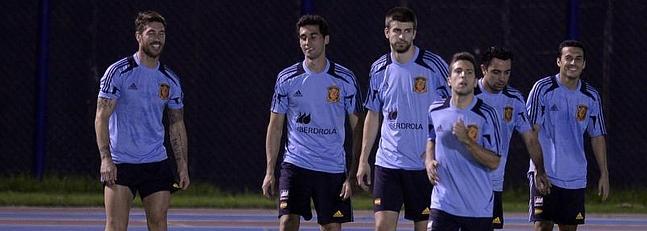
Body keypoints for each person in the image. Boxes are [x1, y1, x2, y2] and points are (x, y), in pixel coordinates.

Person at [261, 14, 362, 231]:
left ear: (326, 39)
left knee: (331, 227)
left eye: (313, 36)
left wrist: (353, 172)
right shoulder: (286, 78)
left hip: (332, 166)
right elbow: (275, 126)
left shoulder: (345, 79)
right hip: (296, 163)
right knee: (287, 222)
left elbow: (358, 127)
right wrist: (270, 171)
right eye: (303, 37)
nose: (307, 43)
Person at [356, 6, 449, 231]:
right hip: (388, 163)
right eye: (397, 30)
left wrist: (436, 150)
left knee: (425, 228)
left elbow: (453, 108)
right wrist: (363, 159)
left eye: (408, 31)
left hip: (423, 165)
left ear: (414, 33)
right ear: (386, 32)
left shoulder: (434, 66)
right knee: (382, 227)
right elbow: (373, 114)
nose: (402, 36)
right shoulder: (379, 68)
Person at [94, 11, 189, 231]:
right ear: (139, 36)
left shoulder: (170, 79)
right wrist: (105, 159)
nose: (157, 38)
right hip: (121, 162)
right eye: (151, 33)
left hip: (156, 162)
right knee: (116, 226)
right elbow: (101, 117)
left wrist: (182, 166)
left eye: (162, 33)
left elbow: (176, 124)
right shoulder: (118, 72)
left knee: (158, 223)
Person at [526, 40, 609, 231]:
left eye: (578, 59)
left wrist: (604, 173)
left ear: (584, 64)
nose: (573, 63)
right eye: (568, 58)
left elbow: (597, 136)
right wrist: (539, 170)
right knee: (543, 226)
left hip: (575, 176)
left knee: (569, 228)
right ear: (558, 61)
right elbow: (532, 133)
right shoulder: (543, 89)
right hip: (547, 174)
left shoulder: (591, 96)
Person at [474, 46, 552, 229]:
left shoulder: (514, 100)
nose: (502, 78)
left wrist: (540, 170)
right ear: (483, 69)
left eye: (506, 72)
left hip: (493, 183)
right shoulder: (467, 93)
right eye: (496, 72)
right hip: (463, 179)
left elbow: (531, 139)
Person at [425, 52, 502, 231]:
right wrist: (429, 161)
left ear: (475, 81)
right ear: (449, 80)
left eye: (469, 72)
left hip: (477, 208)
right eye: (458, 71)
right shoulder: (435, 109)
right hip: (443, 204)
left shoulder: (488, 114)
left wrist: (468, 141)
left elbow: (495, 162)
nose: (463, 76)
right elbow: (431, 138)